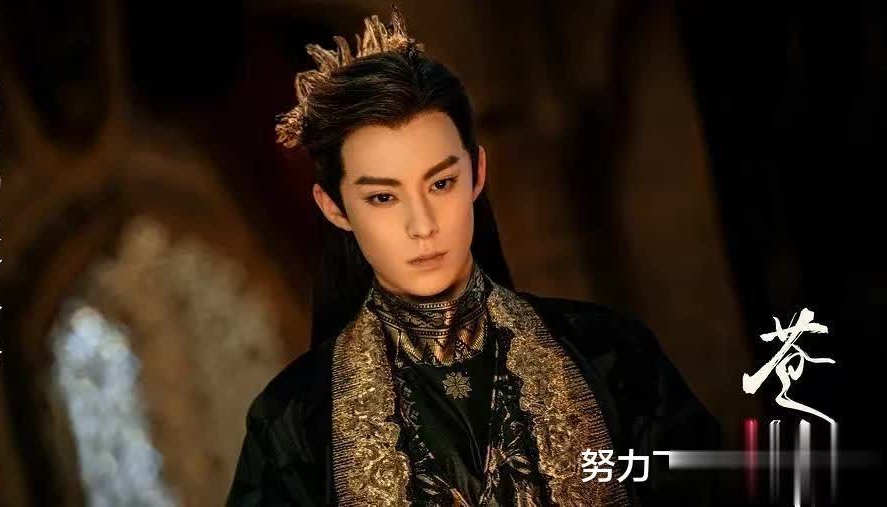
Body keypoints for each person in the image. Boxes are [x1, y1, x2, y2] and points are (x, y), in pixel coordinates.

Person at [227, 8, 718, 506]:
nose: (422, 225)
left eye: (441, 183)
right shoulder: (294, 421)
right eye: (383, 197)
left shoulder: (611, 353)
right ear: (334, 208)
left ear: (477, 173)